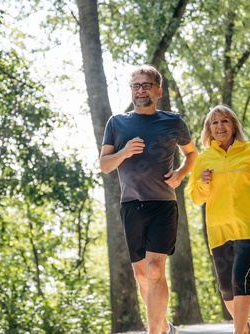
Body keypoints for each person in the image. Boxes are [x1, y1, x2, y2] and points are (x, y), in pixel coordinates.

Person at [100, 65, 198, 334]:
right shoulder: (116, 123)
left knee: (155, 269)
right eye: (136, 86)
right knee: (141, 274)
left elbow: (192, 154)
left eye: (146, 85)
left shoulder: (173, 121)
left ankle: (154, 332)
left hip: (163, 204)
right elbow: (105, 165)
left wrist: (180, 174)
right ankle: (164, 327)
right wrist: (124, 152)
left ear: (158, 91)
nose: (140, 90)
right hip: (131, 204)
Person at [187, 105, 250, 334]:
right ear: (209, 129)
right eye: (214, 123)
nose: (220, 126)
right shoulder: (204, 158)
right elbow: (196, 197)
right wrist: (204, 182)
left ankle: (239, 332)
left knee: (240, 278)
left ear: (234, 126)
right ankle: (246, 329)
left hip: (249, 223)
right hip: (219, 228)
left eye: (225, 121)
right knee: (226, 288)